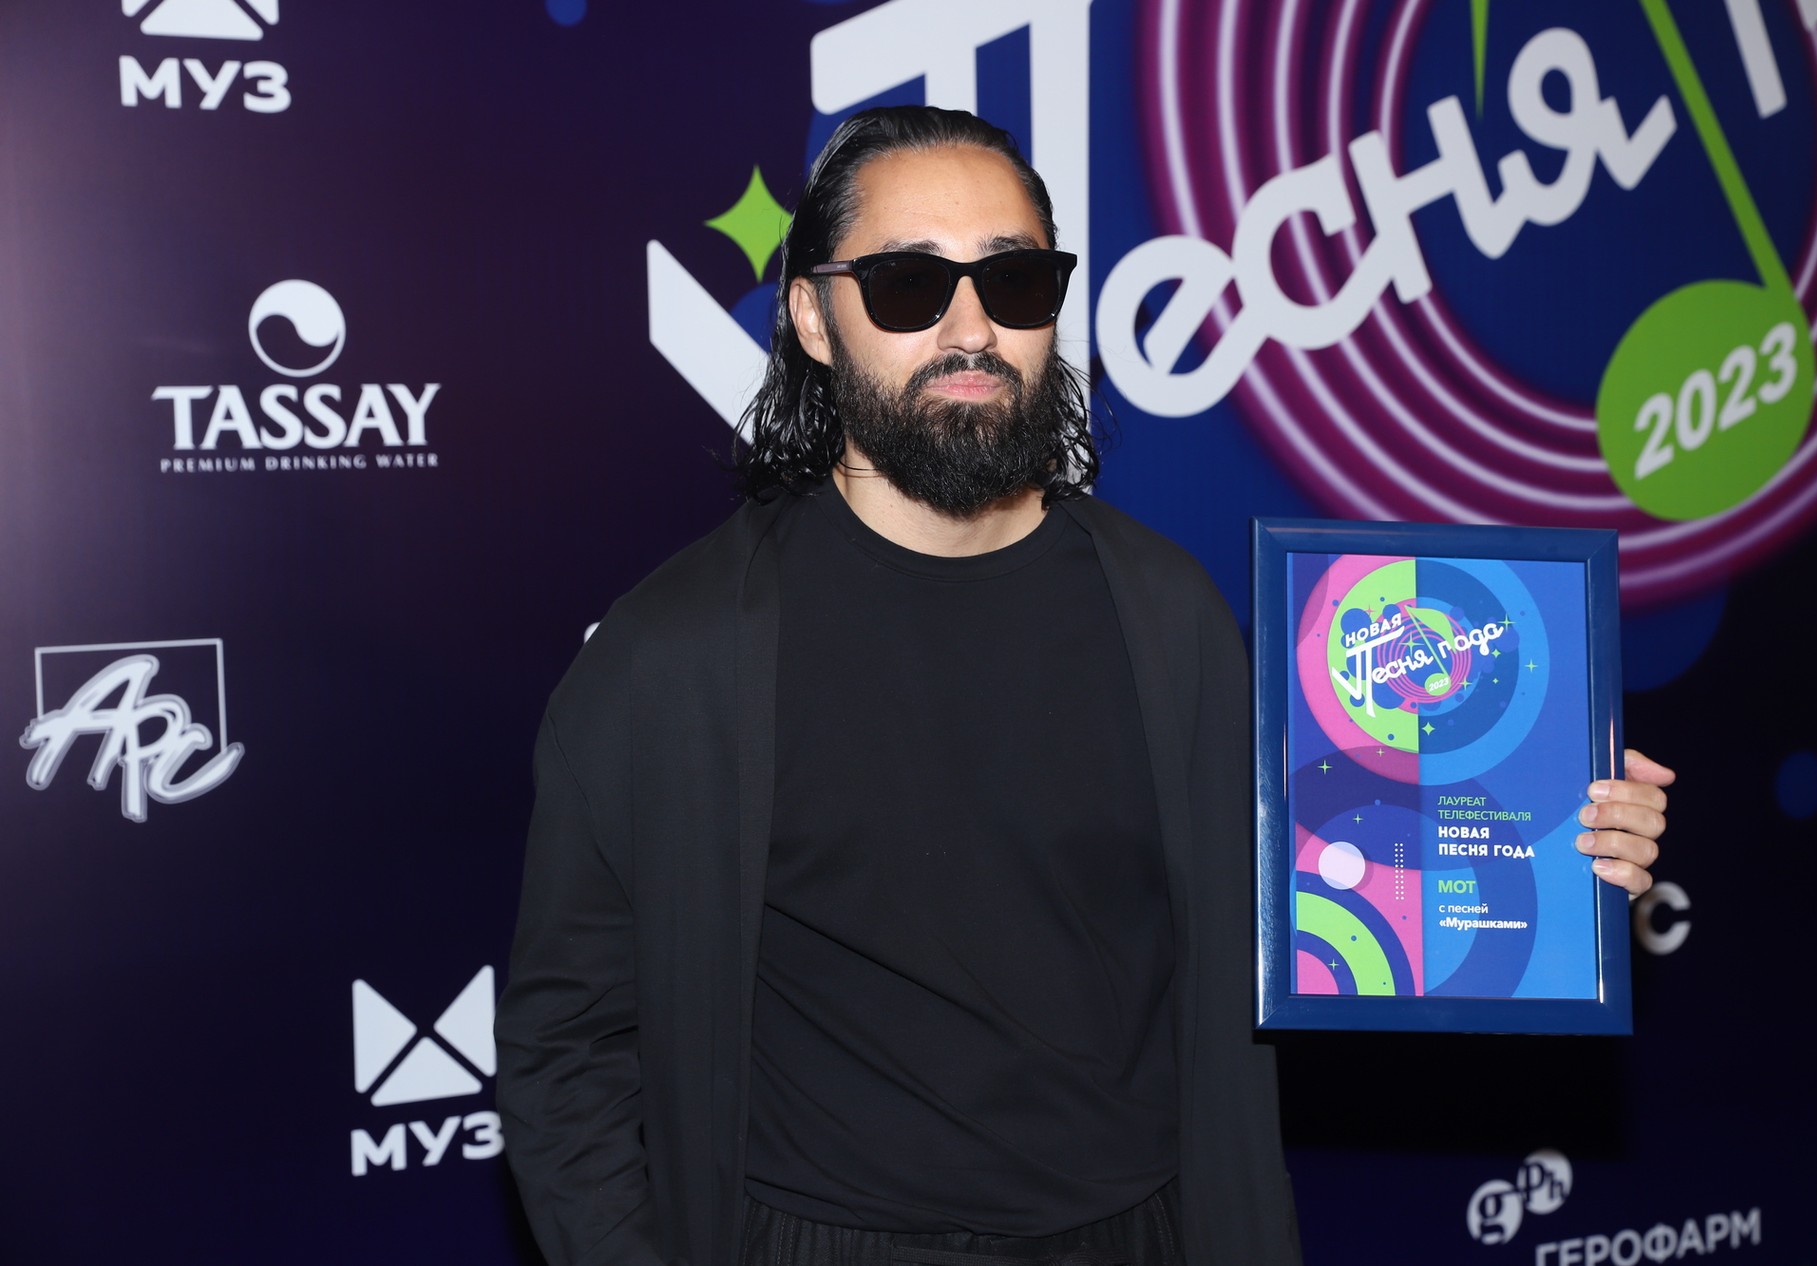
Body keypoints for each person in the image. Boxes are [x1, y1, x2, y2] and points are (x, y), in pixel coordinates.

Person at [495, 105, 1673, 1266]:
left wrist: (1547, 853)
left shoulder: (1168, 614)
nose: (971, 328)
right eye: (909, 284)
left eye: (1013, 282)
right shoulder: (674, 658)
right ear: (813, 316)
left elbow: (1327, 903)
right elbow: (565, 1051)